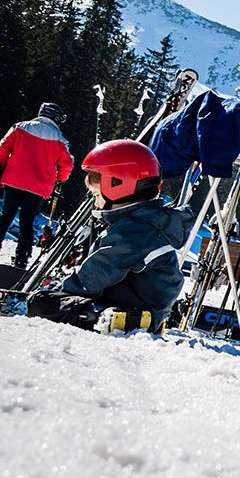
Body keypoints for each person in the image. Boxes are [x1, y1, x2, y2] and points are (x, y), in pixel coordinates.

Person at [26, 140, 194, 334]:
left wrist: (51, 292)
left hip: (130, 310)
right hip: (138, 304)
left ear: (118, 185)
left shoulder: (132, 231)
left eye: (96, 194)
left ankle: (108, 319)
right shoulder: (145, 224)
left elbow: (91, 278)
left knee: (41, 303)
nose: (95, 202)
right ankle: (118, 318)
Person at [0, 103, 74, 269]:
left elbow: (3, 147)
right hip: (38, 187)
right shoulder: (60, 139)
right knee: (27, 223)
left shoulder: (20, 127)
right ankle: (22, 260)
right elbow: (67, 165)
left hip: (13, 180)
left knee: (5, 217)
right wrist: (59, 180)